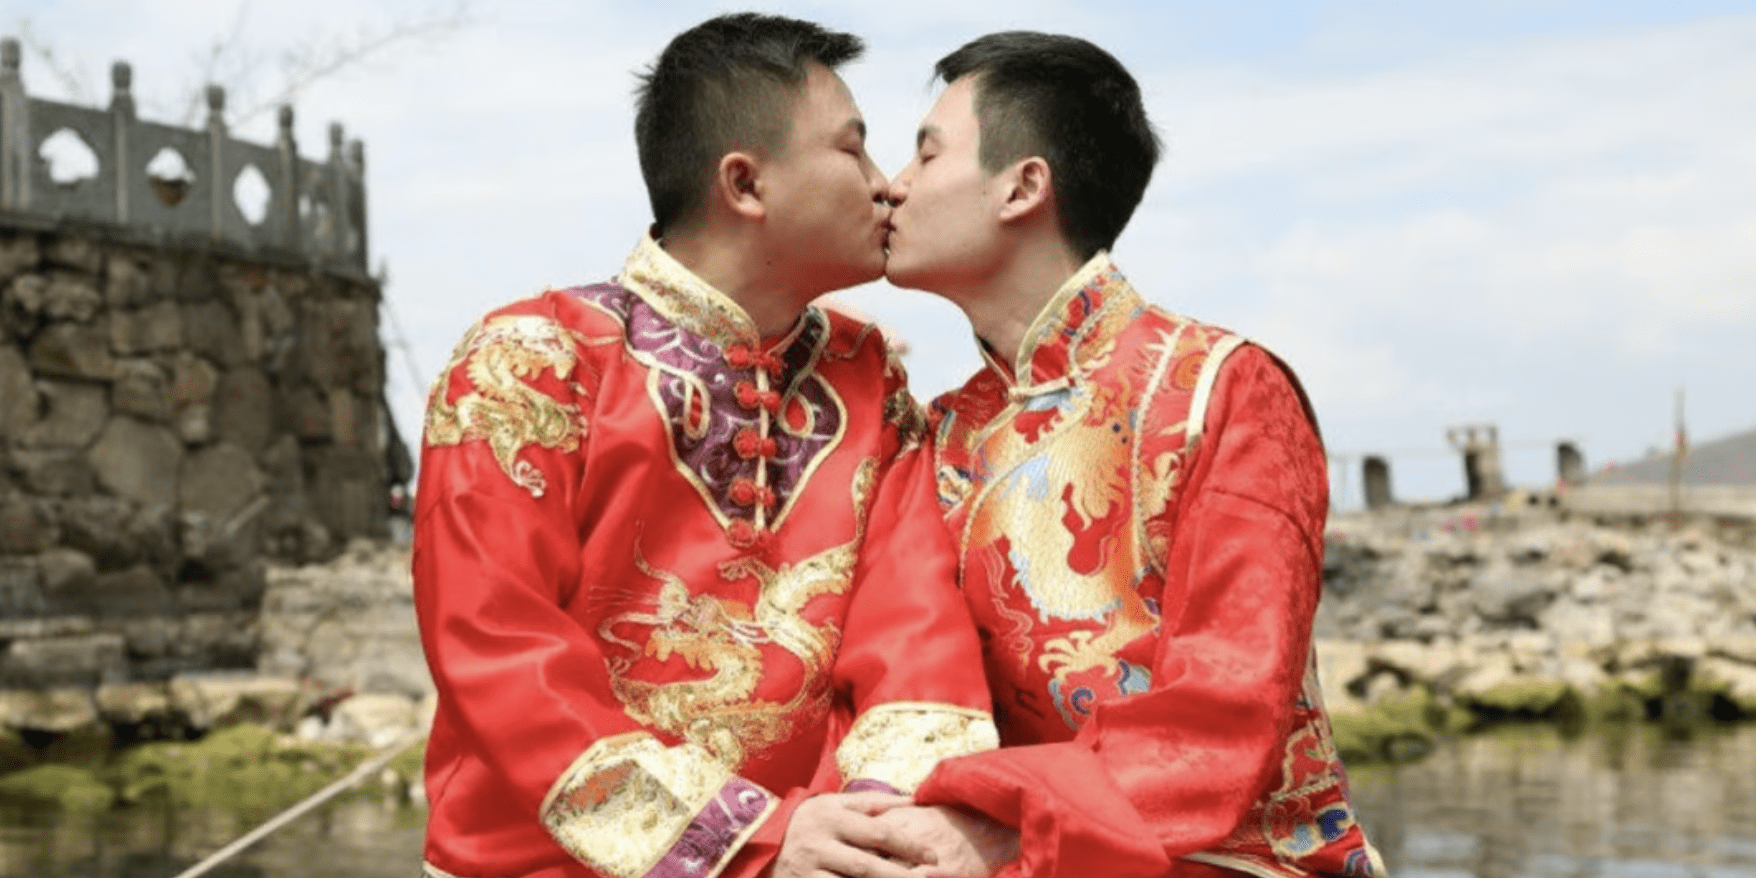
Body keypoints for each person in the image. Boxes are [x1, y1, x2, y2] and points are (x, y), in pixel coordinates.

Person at [410, 14, 997, 878]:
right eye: (854, 150)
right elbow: (498, 647)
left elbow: (915, 630)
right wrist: (748, 840)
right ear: (745, 183)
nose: (887, 187)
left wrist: (873, 834)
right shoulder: (529, 363)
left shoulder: (865, 378)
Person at [877, 32, 1386, 878]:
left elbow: (1223, 714)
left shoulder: (1219, 388)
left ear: (1022, 186)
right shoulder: (939, 433)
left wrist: (1005, 823)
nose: (893, 185)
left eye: (926, 155)